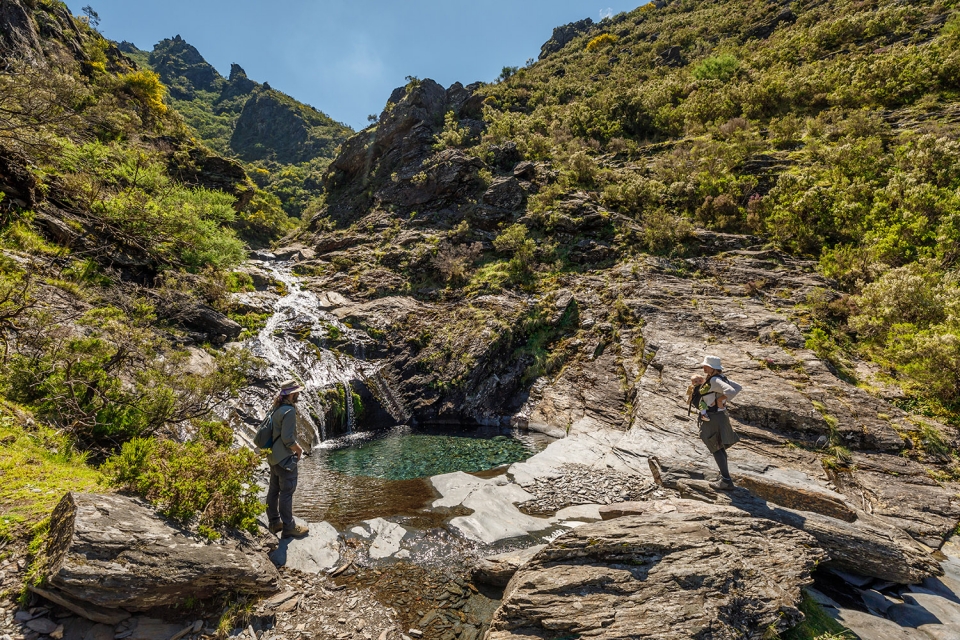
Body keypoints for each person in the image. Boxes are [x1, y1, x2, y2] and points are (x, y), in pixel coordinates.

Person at [265, 379, 310, 537]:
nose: (298, 394)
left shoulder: (276, 407)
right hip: (284, 458)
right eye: (297, 392)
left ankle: (274, 522)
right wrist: (298, 450)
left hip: (273, 457)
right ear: (292, 394)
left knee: (273, 490)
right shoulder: (289, 411)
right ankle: (289, 527)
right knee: (287, 491)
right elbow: (287, 438)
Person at [695, 356, 741, 491]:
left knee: (714, 445)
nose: (703, 367)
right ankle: (724, 477)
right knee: (719, 445)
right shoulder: (720, 377)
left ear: (712, 368)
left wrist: (721, 399)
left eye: (706, 366)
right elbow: (738, 387)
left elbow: (732, 391)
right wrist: (721, 401)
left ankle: (726, 480)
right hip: (719, 416)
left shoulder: (714, 379)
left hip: (713, 417)